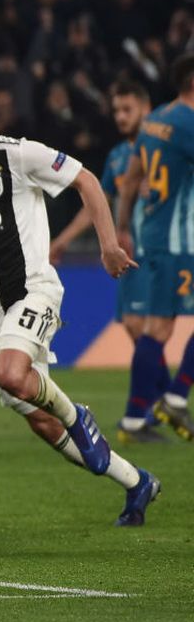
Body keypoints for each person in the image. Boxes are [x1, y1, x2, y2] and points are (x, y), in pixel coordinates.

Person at [0, 61, 160, 527]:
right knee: (41, 421)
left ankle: (78, 415)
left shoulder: (15, 155)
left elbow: (86, 180)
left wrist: (108, 244)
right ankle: (136, 482)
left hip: (30, 293)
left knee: (12, 373)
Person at [50, 79, 167, 443]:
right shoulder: (118, 156)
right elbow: (93, 205)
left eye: (127, 109)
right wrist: (63, 240)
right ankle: (161, 403)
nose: (120, 117)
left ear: (146, 109)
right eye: (116, 110)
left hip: (164, 251)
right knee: (137, 330)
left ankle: (147, 410)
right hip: (131, 256)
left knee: (145, 329)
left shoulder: (167, 148)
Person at [118, 52, 194, 442]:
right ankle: (175, 395)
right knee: (158, 328)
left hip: (155, 236)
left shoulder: (155, 121)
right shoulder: (188, 124)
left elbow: (131, 180)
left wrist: (121, 226)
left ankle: (138, 414)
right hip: (180, 241)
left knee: (155, 327)